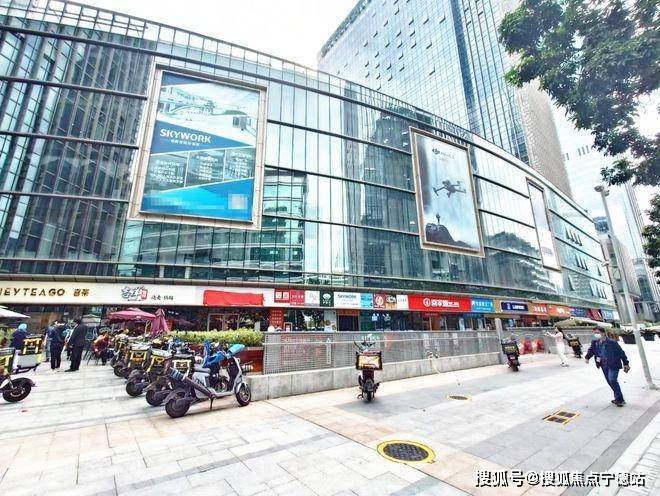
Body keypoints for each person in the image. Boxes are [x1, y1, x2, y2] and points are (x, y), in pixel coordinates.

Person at [600, 330, 630, 407]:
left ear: (603, 333)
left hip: (614, 364)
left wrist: (626, 363)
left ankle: (620, 400)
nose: (596, 335)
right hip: (605, 365)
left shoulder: (612, 342)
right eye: (594, 333)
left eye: (597, 333)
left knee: (612, 380)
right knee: (611, 381)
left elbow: (621, 352)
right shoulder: (598, 342)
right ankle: (617, 398)